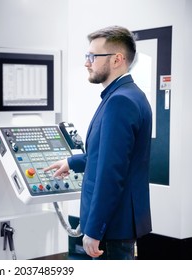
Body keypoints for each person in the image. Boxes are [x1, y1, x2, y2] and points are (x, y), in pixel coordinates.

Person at [44, 26, 152, 260]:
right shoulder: (131, 95)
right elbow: (110, 156)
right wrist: (71, 162)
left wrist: (94, 230)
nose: (86, 63)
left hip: (112, 228)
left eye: (92, 56)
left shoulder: (119, 101)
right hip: (119, 224)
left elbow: (110, 173)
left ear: (117, 60)